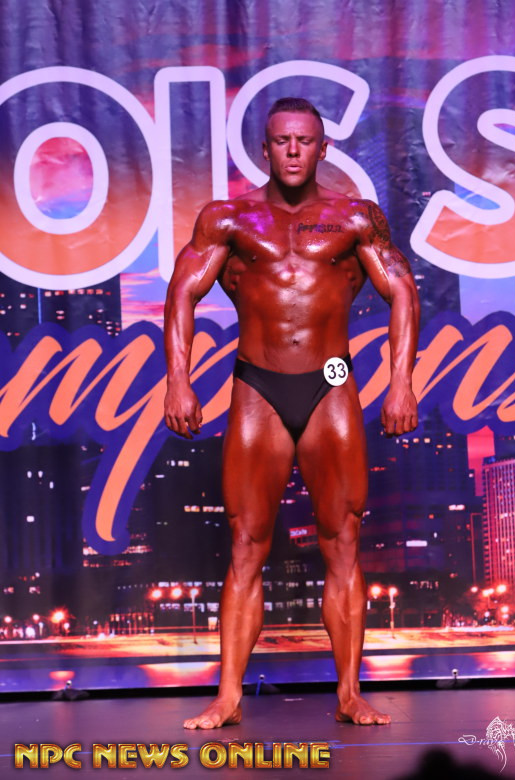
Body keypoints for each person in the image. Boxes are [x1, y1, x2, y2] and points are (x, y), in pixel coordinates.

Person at [164, 97, 420, 729]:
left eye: (305, 140)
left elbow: (402, 290)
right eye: (282, 141)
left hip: (331, 379)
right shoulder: (228, 218)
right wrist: (178, 382)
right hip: (258, 383)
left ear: (323, 148)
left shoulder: (355, 217)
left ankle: (349, 693)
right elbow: (182, 292)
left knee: (344, 540)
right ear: (266, 149)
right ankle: (227, 696)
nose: (294, 151)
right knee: (246, 543)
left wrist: (401, 383)